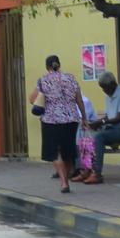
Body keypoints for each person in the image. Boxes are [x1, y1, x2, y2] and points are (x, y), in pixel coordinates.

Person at [29, 54, 87, 193]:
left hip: (51, 121)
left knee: (55, 152)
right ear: (59, 65)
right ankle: (66, 178)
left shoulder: (43, 80)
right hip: (71, 120)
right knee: (68, 151)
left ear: (47, 67)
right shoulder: (71, 78)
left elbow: (32, 99)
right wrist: (84, 118)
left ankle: (63, 182)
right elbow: (79, 100)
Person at [73, 71, 120, 185]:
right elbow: (109, 116)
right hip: (111, 128)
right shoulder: (108, 96)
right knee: (86, 134)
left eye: (105, 87)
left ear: (112, 84)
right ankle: (86, 170)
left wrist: (101, 122)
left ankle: (97, 174)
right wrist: (96, 123)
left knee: (99, 138)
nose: (103, 90)